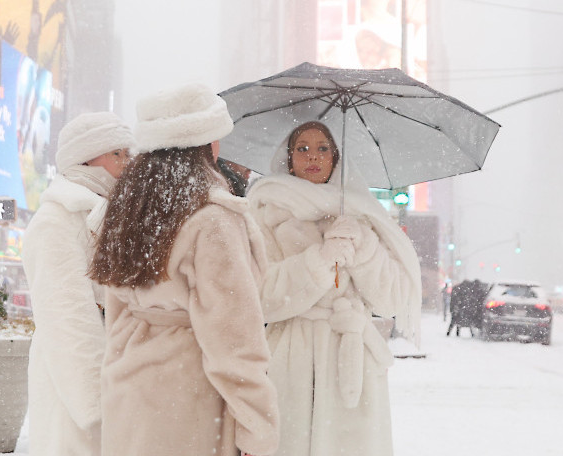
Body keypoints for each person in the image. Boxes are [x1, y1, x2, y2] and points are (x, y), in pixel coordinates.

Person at [89, 83, 278, 456]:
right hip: (189, 399)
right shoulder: (213, 219)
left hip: (130, 391)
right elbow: (234, 339)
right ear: (207, 144)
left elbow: (115, 314)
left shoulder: (130, 210)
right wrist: (257, 429)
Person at [247, 120, 421, 456]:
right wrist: (320, 260)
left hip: (352, 358)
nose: (313, 156)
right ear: (289, 157)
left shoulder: (363, 213)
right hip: (291, 357)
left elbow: (392, 299)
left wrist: (363, 248)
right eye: (303, 148)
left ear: (336, 157)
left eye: (323, 148)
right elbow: (261, 296)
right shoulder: (265, 210)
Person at [22, 111, 134, 456]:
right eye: (117, 153)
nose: (127, 162)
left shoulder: (113, 212)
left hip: (115, 369)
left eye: (128, 153)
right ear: (87, 157)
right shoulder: (58, 219)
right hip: (73, 384)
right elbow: (66, 314)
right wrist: (96, 402)